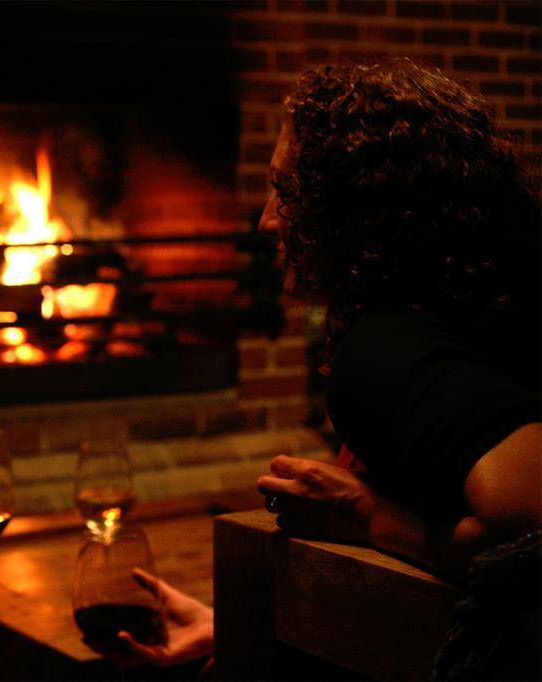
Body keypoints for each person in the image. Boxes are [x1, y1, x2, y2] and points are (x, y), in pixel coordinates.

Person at [90, 59, 541, 678]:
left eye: (287, 191)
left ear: (359, 211)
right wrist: (243, 630)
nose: (267, 221)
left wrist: (370, 519)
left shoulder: (388, 348)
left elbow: (529, 536)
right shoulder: (474, 310)